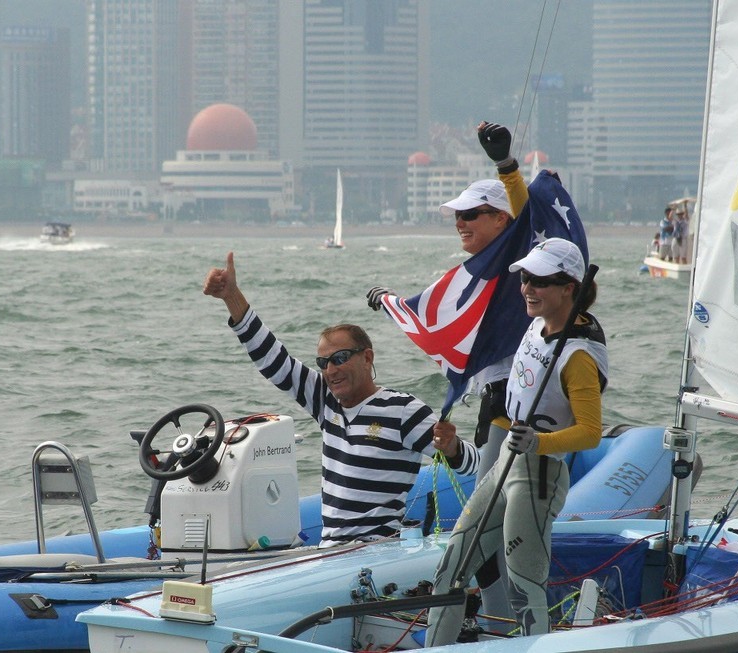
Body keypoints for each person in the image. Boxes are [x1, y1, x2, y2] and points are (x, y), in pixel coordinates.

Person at [366, 120, 529, 618]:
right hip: (491, 402)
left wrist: (505, 166)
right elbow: (436, 318)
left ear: (502, 219)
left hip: (519, 402)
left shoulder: (524, 259)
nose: (460, 222)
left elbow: (531, 217)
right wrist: (394, 303)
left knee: (486, 525)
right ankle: (503, 616)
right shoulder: (472, 278)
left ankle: (509, 623)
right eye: (456, 216)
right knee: (487, 523)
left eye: (472, 214)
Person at [203, 251, 474, 546]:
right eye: (323, 363)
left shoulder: (402, 410)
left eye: (340, 358)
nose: (331, 370)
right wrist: (232, 296)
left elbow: (470, 465)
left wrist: (452, 447)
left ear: (367, 358)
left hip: (378, 549)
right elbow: (272, 358)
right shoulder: (325, 400)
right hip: (330, 549)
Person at [424, 238, 608, 645]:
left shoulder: (577, 356)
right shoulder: (537, 323)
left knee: (524, 588)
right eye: (525, 278)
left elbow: (591, 433)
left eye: (540, 281)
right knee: (450, 569)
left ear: (569, 289)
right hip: (507, 461)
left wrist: (537, 442)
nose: (527, 288)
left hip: (537, 476)